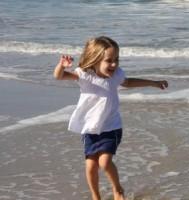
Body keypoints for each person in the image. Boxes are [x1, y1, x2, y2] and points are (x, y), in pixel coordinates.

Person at [53, 36, 168, 200]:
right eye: (109, 60)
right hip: (90, 128)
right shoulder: (85, 75)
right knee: (91, 165)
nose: (114, 64)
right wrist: (61, 66)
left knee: (104, 163)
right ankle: (95, 196)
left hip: (111, 127)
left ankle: (118, 189)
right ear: (95, 60)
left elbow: (128, 82)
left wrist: (153, 83)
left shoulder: (116, 76)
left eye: (116, 59)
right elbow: (59, 76)